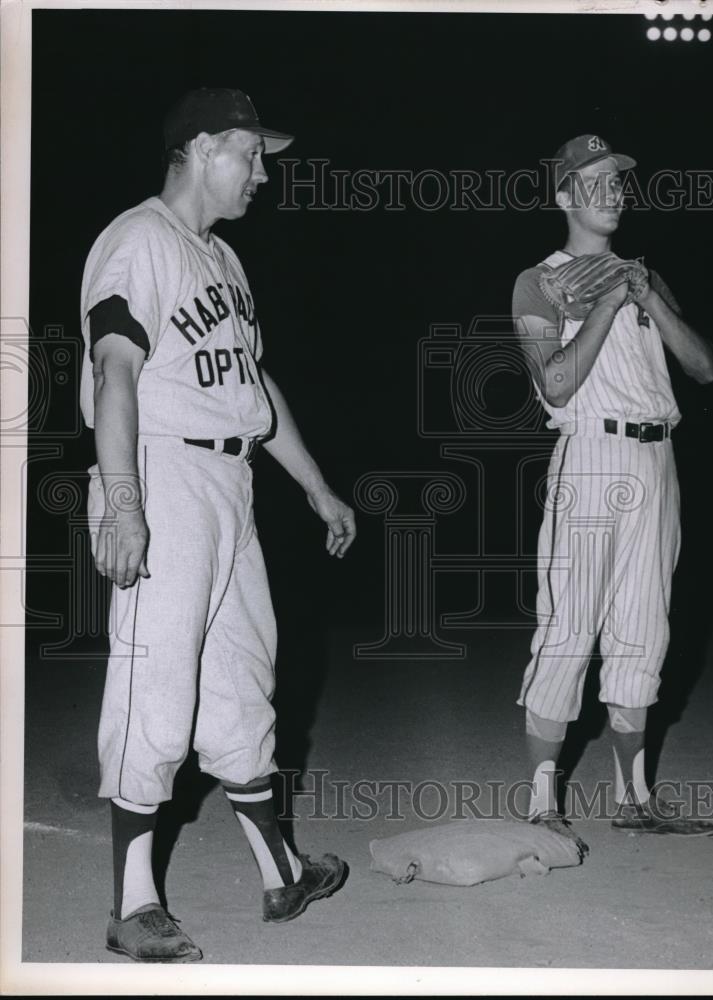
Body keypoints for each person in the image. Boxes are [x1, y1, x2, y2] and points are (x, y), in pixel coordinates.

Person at [80, 88, 356, 963]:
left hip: (229, 480)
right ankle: (132, 907)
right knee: (154, 686)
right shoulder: (137, 241)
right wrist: (123, 501)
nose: (262, 173)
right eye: (251, 154)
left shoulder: (225, 261)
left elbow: (254, 386)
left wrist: (316, 487)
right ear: (200, 149)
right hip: (161, 471)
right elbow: (114, 373)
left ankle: (282, 871)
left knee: (242, 681)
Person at [512, 134, 713, 848]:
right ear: (564, 195)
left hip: (655, 458)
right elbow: (556, 383)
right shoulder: (539, 281)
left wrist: (642, 296)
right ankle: (542, 800)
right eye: (593, 182)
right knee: (569, 625)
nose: (612, 192)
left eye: (618, 181)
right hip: (590, 453)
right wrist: (598, 306)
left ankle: (634, 798)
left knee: (644, 625)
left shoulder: (644, 276)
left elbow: (703, 368)